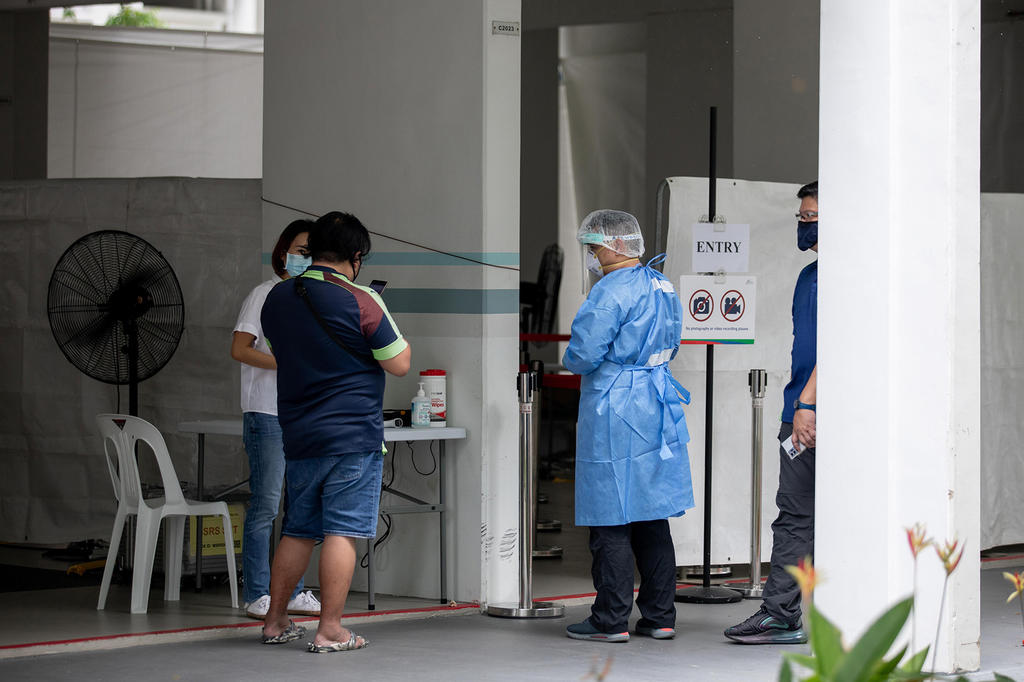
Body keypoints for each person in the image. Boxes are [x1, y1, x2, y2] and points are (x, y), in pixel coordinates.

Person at [259, 211, 411, 653]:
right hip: (352, 435)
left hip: (299, 431)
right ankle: (330, 629)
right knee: (342, 530)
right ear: (356, 256)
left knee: (299, 528)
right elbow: (398, 362)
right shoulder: (361, 298)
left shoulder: (278, 298)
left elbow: (279, 352)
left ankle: (275, 621)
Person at [561, 209, 694, 643]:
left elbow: (582, 354)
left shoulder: (608, 292)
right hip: (656, 402)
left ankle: (610, 618)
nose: (591, 255)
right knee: (652, 515)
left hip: (615, 406)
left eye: (593, 246)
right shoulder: (662, 284)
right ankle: (660, 615)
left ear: (615, 246)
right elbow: (672, 341)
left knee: (611, 514)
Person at [724, 181, 818, 645]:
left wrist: (806, 404)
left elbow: (839, 347)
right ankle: (781, 612)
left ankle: (787, 611)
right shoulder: (811, 276)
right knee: (795, 515)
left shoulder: (849, 277)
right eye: (801, 217)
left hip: (814, 414)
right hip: (800, 410)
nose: (804, 224)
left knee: (805, 516)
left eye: (811, 216)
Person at [230, 219, 321, 619]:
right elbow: (240, 349)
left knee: (299, 506)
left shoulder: (310, 297)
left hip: (300, 412)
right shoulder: (264, 294)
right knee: (266, 504)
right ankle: (256, 592)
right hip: (266, 412)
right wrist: (284, 362)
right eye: (300, 250)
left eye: (311, 253)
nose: (305, 258)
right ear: (283, 251)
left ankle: (294, 590)